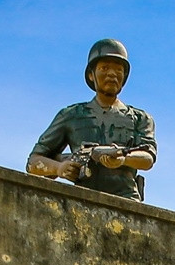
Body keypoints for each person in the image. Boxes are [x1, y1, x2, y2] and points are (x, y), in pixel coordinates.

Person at [27, 39, 157, 201]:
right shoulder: (71, 115)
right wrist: (60, 168)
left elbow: (148, 158)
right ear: (91, 74)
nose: (112, 74)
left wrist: (123, 159)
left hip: (126, 201)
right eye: (104, 68)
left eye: (118, 69)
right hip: (81, 200)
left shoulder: (140, 118)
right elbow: (34, 162)